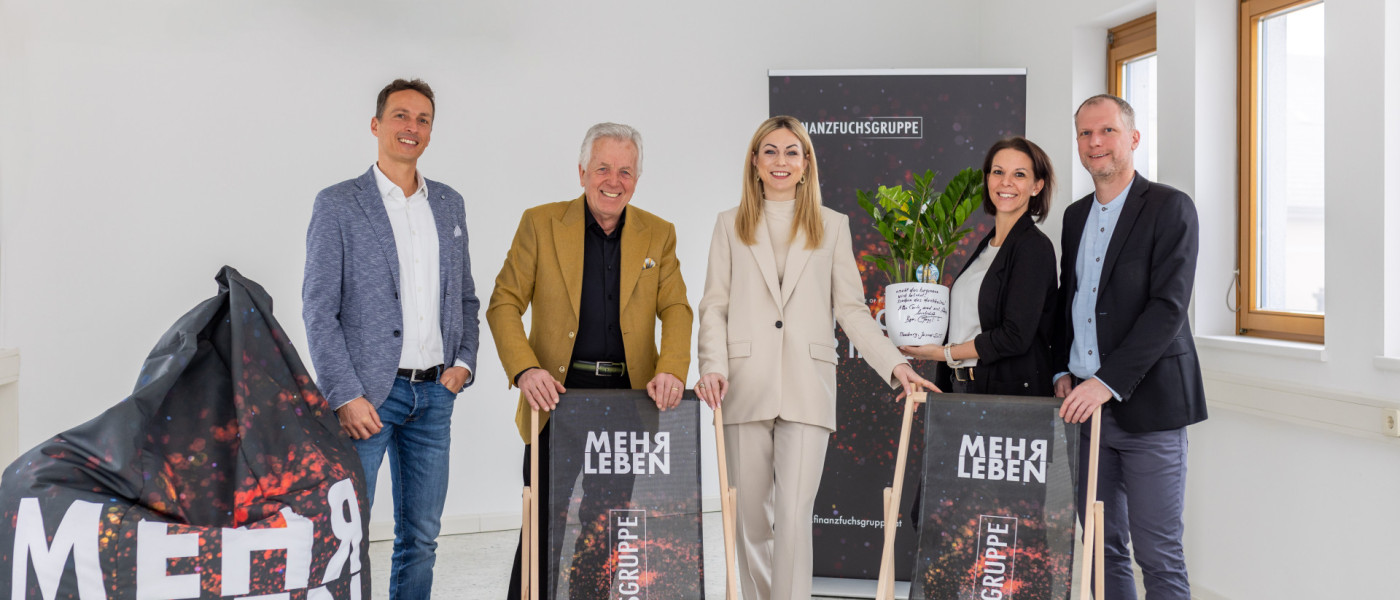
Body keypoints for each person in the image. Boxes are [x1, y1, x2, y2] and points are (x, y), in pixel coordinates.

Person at [694, 115, 935, 600]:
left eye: (792, 152)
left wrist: (896, 364)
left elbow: (852, 309)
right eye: (770, 151)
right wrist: (712, 366)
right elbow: (714, 306)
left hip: (808, 386)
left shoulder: (832, 226)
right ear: (755, 162)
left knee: (793, 517)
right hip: (742, 384)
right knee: (749, 521)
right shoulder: (729, 224)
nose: (780, 161)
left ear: (806, 164)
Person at [486, 122, 692, 600]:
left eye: (625, 171)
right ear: (581, 172)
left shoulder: (659, 234)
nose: (613, 181)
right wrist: (525, 369)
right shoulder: (540, 223)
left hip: (625, 403)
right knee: (542, 521)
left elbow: (677, 308)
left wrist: (671, 367)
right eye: (603, 168)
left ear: (636, 179)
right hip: (554, 400)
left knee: (606, 525)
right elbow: (504, 302)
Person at [302, 78, 479, 599]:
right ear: (376, 124)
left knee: (421, 537)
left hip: (435, 396)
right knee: (343, 537)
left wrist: (464, 363)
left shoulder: (448, 204)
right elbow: (319, 309)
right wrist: (345, 395)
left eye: (423, 120)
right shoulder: (338, 204)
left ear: (431, 132)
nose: (412, 127)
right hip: (368, 400)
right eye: (401, 115)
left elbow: (466, 296)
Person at [1053, 94, 1207, 599]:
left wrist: (1105, 382)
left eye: (1107, 131)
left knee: (1158, 554)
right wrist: (1062, 370)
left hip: (1151, 411)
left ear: (1133, 138)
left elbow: (1168, 308)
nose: (1095, 142)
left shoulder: (1170, 207)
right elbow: (1070, 300)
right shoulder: (1074, 217)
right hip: (1085, 413)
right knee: (1102, 548)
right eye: (1085, 133)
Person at [899, 136, 1059, 395]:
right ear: (988, 179)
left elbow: (1015, 336)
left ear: (1037, 186)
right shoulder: (987, 247)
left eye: (1019, 174)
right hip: (961, 386)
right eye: (998, 172)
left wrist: (942, 353)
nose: (1006, 182)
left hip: (1005, 395)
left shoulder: (1033, 247)